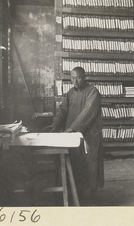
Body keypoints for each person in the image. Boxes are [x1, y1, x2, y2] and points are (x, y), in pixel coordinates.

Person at [45, 67, 104, 204]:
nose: (74, 81)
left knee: (90, 164)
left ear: (84, 77)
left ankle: (92, 195)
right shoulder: (70, 93)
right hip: (72, 134)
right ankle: (76, 191)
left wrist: (72, 128)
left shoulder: (92, 92)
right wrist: (55, 124)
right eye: (72, 77)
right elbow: (62, 111)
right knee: (75, 163)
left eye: (77, 77)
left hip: (88, 135)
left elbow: (87, 112)